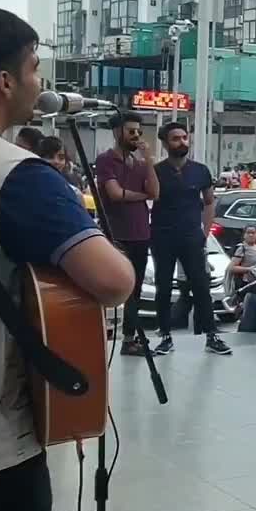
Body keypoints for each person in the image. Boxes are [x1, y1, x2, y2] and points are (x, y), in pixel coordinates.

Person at [0, 3, 135, 511]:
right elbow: (113, 280)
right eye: (33, 67)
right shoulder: (16, 175)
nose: (39, 81)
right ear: (4, 82)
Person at [151, 122, 231, 355]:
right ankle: (165, 336)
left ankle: (212, 336)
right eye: (176, 138)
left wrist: (204, 233)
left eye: (184, 137)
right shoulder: (156, 171)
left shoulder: (200, 170)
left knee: (201, 286)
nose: (182, 142)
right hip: (162, 236)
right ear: (165, 143)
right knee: (163, 287)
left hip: (191, 237)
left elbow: (208, 202)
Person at [95, 111, 160, 356]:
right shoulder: (106, 161)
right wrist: (142, 196)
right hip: (116, 234)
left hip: (141, 234)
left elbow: (155, 192)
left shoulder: (141, 164)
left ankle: (129, 339)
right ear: (116, 132)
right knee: (109, 286)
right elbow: (114, 193)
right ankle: (100, 335)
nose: (135, 136)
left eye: (138, 132)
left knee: (136, 288)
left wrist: (149, 161)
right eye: (130, 131)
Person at [229, 225, 256, 289]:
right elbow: (232, 268)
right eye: (248, 233)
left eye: (253, 233)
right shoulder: (242, 248)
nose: (251, 235)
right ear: (244, 235)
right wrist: (249, 269)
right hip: (246, 283)